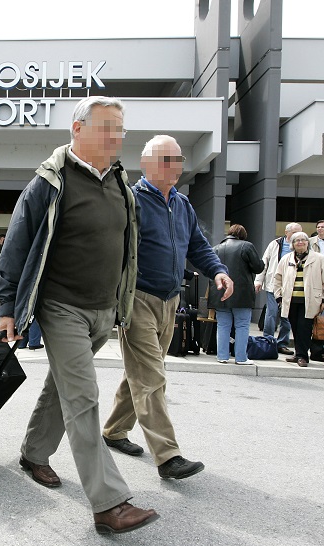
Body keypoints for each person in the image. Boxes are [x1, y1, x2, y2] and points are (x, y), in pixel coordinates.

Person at [0, 96, 158, 535]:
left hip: (104, 309)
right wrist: (7, 307)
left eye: (120, 129)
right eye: (107, 127)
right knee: (84, 398)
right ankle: (109, 504)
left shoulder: (122, 185)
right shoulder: (50, 182)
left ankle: (33, 452)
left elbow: (130, 248)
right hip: (60, 305)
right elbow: (16, 246)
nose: (116, 137)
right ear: (78, 129)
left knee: (63, 386)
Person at [101, 134, 231, 482]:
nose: (177, 167)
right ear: (148, 164)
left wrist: (218, 270)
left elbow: (198, 245)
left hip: (170, 301)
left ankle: (113, 430)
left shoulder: (182, 204)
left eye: (179, 160)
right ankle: (168, 455)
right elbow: (110, 247)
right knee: (153, 377)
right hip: (138, 299)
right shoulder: (132, 200)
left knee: (141, 373)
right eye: (168, 160)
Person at [273, 232, 324, 367]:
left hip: (310, 300)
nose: (300, 242)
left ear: (307, 243)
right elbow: (277, 278)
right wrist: (278, 296)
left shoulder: (319, 258)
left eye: (303, 240)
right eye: (297, 240)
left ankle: (302, 356)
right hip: (291, 300)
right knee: (295, 327)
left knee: (304, 328)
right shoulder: (286, 259)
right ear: (292, 244)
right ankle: (298, 353)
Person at [210, 224, 264, 365]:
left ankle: (222, 356)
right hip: (242, 294)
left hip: (220, 292)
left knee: (222, 325)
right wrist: (263, 262)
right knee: (242, 325)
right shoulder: (246, 246)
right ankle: (241, 358)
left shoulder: (216, 248)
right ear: (243, 235)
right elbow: (258, 267)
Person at [256, 222, 302, 355]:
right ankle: (267, 340)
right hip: (274, 284)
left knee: (286, 316)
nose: (298, 236)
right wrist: (258, 281)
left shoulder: (302, 246)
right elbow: (264, 263)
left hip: (291, 286)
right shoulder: (275, 244)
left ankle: (282, 343)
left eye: (300, 232)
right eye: (294, 232)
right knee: (271, 313)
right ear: (287, 232)